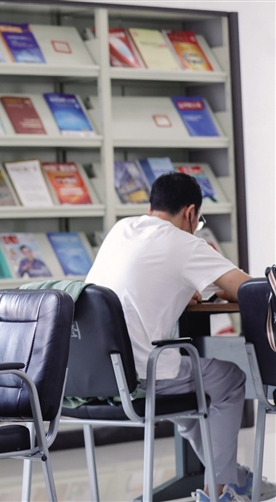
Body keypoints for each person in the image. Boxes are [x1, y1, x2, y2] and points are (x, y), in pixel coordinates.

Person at [86, 172, 276, 502]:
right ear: (190, 213)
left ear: (151, 207)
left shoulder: (121, 229)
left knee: (194, 389)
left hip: (96, 374)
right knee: (230, 380)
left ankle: (232, 476)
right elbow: (249, 289)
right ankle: (219, 490)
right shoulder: (184, 243)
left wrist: (182, 288)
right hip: (143, 374)